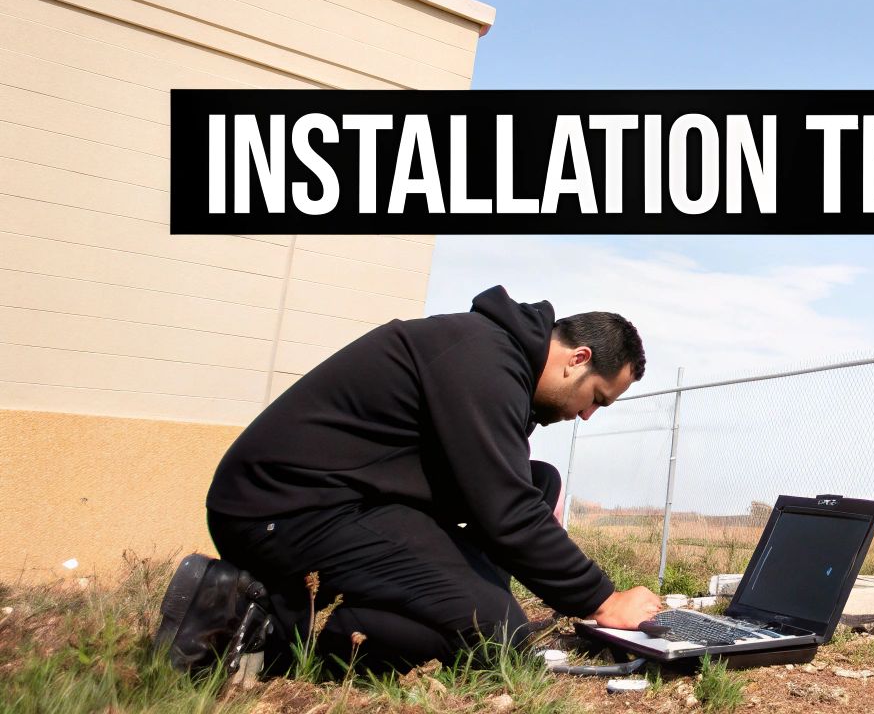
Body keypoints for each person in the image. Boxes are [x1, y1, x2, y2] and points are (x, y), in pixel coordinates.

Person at [155, 285, 665, 676]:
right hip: (285, 508)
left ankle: (436, 606)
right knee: (496, 636)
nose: (588, 415)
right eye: (598, 398)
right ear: (578, 360)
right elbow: (503, 509)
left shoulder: (491, 355)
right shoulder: (483, 361)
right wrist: (601, 599)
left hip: (349, 497)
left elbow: (503, 493)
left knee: (539, 482)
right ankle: (265, 628)